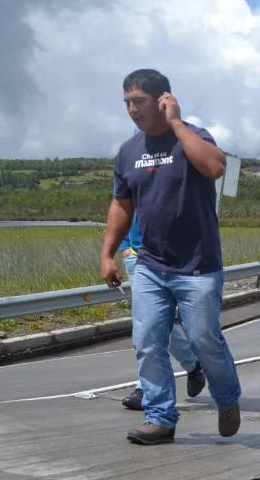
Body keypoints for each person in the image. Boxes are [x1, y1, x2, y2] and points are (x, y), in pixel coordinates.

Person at [100, 68, 242, 445]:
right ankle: (160, 417)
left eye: (140, 101)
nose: (132, 109)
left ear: (164, 99)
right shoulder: (129, 152)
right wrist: (107, 254)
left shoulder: (194, 137)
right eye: (127, 103)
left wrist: (176, 123)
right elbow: (120, 203)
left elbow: (214, 168)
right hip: (150, 264)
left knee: (203, 339)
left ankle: (227, 399)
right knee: (147, 339)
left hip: (198, 265)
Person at [118, 211, 206, 411]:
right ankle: (192, 365)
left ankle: (146, 390)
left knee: (152, 323)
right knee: (150, 322)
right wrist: (124, 247)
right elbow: (123, 205)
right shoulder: (133, 178)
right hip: (135, 256)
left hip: (168, 257)